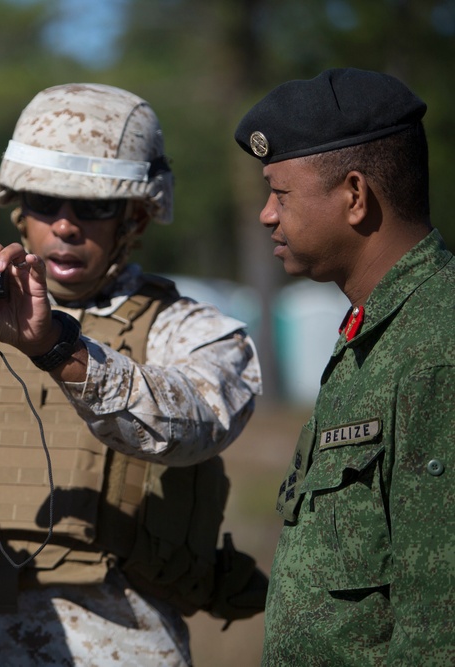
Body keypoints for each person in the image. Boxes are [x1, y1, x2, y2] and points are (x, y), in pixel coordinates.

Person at [0, 83, 265, 666]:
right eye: (46, 203)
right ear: (19, 210)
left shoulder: (189, 331)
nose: (65, 226)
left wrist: (58, 347)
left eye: (91, 208)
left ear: (135, 217)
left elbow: (197, 424)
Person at [235, 67, 455, 665]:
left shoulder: (436, 350)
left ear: (355, 197)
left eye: (281, 194)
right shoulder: (375, 332)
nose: (266, 215)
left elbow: (439, 620)